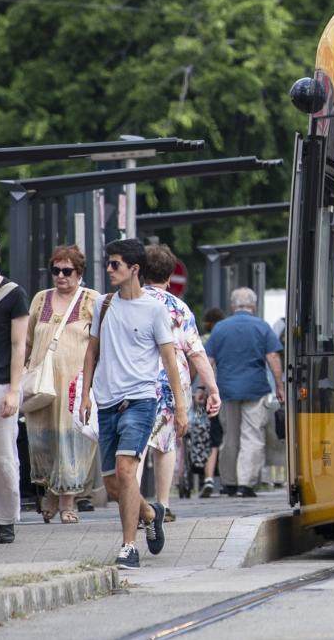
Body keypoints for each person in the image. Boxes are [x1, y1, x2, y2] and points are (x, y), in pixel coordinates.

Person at [79, 238, 187, 569]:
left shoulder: (155, 309)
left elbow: (169, 361)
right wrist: (85, 394)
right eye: (108, 264)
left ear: (134, 269)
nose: (109, 270)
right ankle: (151, 513)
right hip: (106, 401)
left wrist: (180, 407)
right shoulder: (104, 304)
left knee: (127, 470)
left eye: (115, 264)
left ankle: (129, 546)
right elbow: (91, 351)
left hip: (140, 400)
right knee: (113, 482)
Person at [141, 245, 221, 520]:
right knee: (166, 445)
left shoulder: (129, 301)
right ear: (169, 274)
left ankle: (135, 505)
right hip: (170, 385)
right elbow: (197, 352)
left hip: (136, 378)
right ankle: (162, 504)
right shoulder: (178, 308)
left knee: (136, 447)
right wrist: (212, 389)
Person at [23, 245, 99, 525]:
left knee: (71, 440)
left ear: (79, 273)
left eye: (67, 271)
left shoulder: (92, 300)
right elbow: (27, 339)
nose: (60, 276)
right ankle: (51, 494)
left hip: (75, 385)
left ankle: (68, 500)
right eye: (55, 270)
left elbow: (102, 343)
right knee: (43, 439)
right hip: (41, 384)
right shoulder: (40, 300)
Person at [204, 287, 284, 497]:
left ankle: (229, 482)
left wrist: (205, 388)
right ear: (253, 305)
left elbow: (208, 361)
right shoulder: (261, 327)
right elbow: (273, 358)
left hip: (226, 390)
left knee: (230, 436)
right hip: (254, 389)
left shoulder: (220, 328)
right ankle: (245, 484)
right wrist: (280, 386)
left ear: (233, 306)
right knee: (252, 436)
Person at [0, 233, 31, 544]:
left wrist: (14, 390)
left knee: (3, 457)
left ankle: (5, 519)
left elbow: (20, 345)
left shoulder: (13, 294)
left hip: (1, 384)